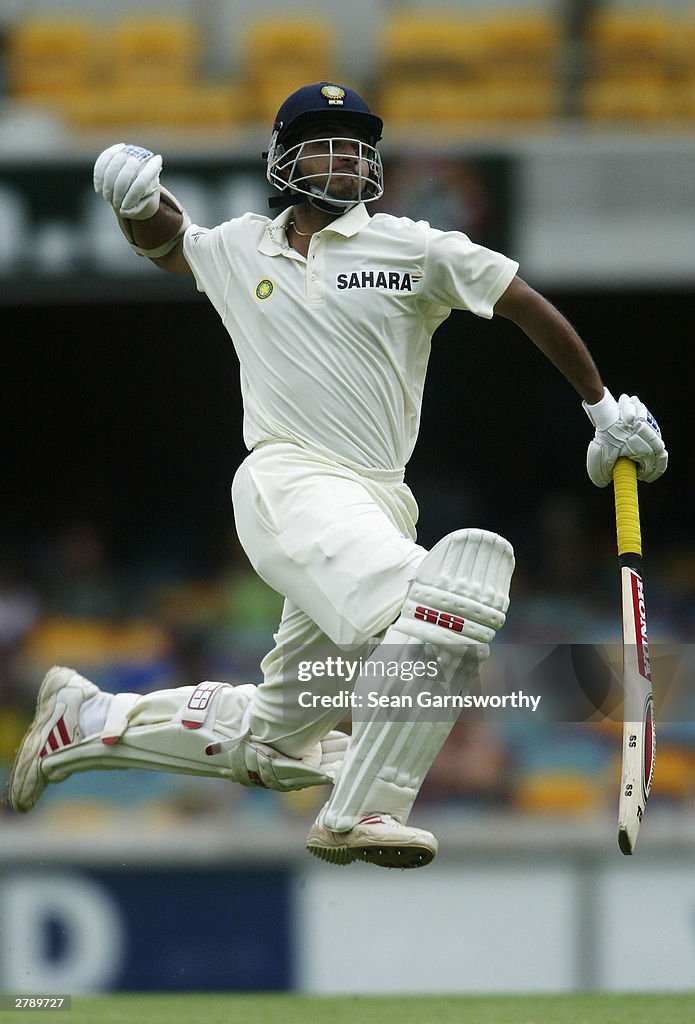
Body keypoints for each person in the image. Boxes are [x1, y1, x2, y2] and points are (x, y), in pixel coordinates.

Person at [8, 82, 667, 868]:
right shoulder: (242, 248)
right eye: (324, 142)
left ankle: (84, 720)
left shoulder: (413, 247)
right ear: (283, 160)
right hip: (288, 482)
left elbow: (519, 300)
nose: (345, 157)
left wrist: (600, 408)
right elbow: (168, 239)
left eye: (356, 145)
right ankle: (365, 810)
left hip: (377, 500)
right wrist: (132, 200)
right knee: (453, 592)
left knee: (284, 734)